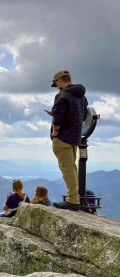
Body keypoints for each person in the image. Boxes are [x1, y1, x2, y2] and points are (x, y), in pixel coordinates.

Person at [49, 70, 88, 211]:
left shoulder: (62, 95)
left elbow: (57, 117)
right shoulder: (82, 97)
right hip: (75, 138)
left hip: (63, 138)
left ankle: (72, 200)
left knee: (66, 169)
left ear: (60, 80)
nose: (57, 86)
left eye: (56, 83)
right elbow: (84, 116)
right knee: (72, 168)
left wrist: (55, 135)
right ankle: (73, 197)